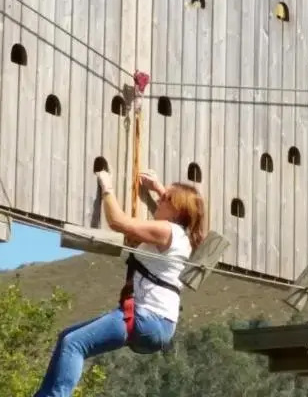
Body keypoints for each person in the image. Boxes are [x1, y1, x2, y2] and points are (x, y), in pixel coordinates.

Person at [33, 169, 205, 397]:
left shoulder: (166, 230)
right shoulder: (181, 237)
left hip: (147, 318)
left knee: (75, 344)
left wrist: (107, 187)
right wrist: (158, 188)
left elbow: (117, 221)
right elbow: (176, 209)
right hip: (158, 323)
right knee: (66, 337)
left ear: (176, 209)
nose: (159, 200)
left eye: (164, 198)